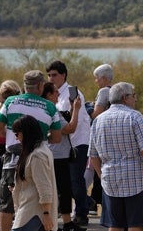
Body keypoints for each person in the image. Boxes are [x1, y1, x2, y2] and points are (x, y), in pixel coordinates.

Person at [0, 70, 63, 231]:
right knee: (38, 196)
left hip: (12, 160)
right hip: (38, 159)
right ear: (41, 86)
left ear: (25, 85)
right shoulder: (50, 107)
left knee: (6, 204)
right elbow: (56, 138)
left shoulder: (10, 102)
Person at [89, 82, 143, 231]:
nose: (135, 99)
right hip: (136, 179)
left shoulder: (98, 120)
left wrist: (101, 175)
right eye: (134, 96)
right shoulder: (134, 117)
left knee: (115, 225)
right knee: (135, 224)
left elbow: (93, 155)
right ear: (125, 97)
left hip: (110, 179)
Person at [46, 60, 91, 227]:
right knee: (62, 180)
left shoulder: (72, 93)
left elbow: (73, 118)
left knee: (74, 179)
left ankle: (81, 214)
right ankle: (87, 201)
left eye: (54, 75)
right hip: (62, 145)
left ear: (63, 75)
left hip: (77, 141)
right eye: (49, 75)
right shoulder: (50, 93)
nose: (51, 78)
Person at [42, 81, 84, 231]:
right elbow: (70, 128)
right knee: (63, 190)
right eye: (55, 92)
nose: (58, 94)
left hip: (52, 154)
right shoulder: (51, 111)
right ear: (48, 94)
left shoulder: (44, 110)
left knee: (56, 190)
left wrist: (72, 109)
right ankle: (66, 223)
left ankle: (58, 222)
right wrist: (77, 109)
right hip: (57, 156)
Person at [10, 115, 57, 231]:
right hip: (31, 211)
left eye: (17, 134)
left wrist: (46, 214)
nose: (16, 138)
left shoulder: (37, 155)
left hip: (33, 212)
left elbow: (44, 186)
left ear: (26, 133)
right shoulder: (36, 151)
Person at [0, 80, 22, 224]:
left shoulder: (9, 106)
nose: (2, 97)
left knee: (6, 181)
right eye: (2, 94)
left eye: (6, 93)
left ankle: (7, 210)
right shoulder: (6, 106)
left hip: (10, 148)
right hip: (4, 149)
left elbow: (0, 130)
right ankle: (1, 208)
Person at [87, 63, 114, 216]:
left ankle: (94, 202)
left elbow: (96, 113)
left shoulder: (104, 91)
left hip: (102, 135)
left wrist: (87, 109)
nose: (96, 81)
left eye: (97, 79)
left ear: (104, 78)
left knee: (98, 169)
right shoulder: (115, 90)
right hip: (112, 135)